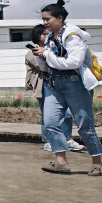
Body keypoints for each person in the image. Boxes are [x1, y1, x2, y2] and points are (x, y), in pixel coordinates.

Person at [32, 0, 102, 176]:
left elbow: (73, 62)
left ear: (59, 18)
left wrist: (48, 54)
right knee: (51, 123)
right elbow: (47, 66)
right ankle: (61, 162)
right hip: (53, 83)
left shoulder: (73, 37)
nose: (44, 23)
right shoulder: (51, 38)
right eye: (43, 20)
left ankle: (98, 163)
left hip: (75, 83)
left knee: (84, 124)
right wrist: (41, 56)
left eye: (47, 19)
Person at [25, 24, 84, 153]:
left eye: (48, 34)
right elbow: (44, 67)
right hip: (43, 85)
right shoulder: (32, 53)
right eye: (44, 34)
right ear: (37, 36)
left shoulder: (51, 48)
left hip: (56, 83)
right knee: (47, 115)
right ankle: (48, 141)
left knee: (67, 114)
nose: (47, 36)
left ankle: (67, 139)